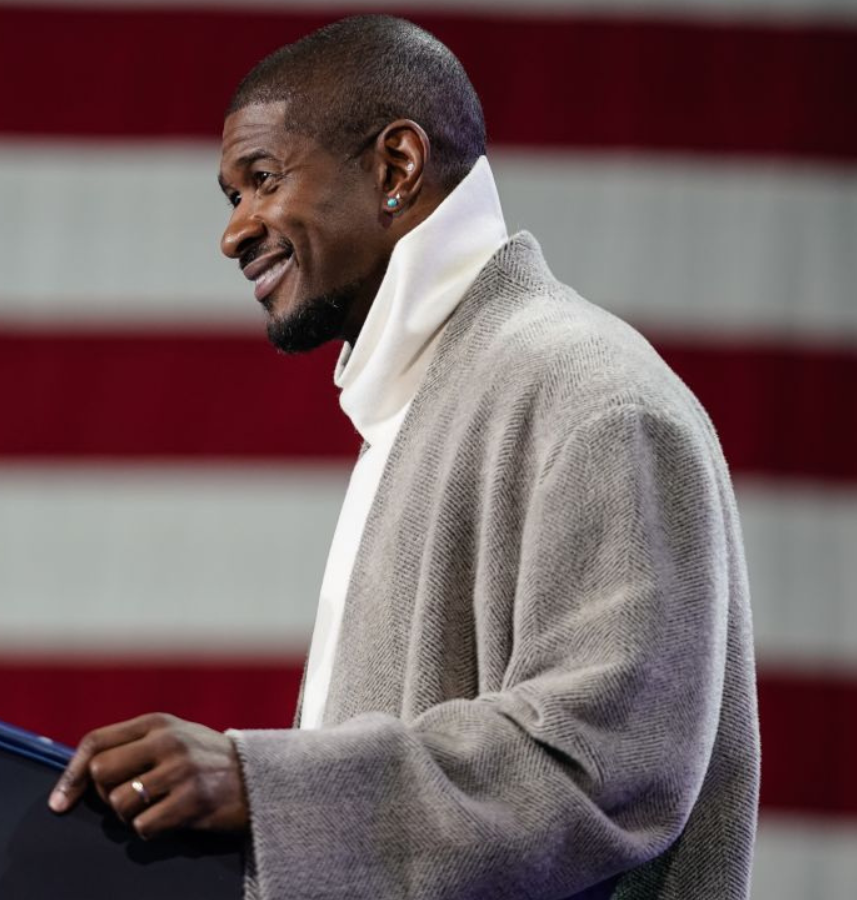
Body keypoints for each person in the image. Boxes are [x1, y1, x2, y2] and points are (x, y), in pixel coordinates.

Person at [48, 15, 759, 899]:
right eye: (231, 196)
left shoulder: (591, 396)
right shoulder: (434, 400)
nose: (234, 233)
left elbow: (606, 765)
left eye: (261, 181)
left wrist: (259, 783)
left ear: (396, 167)